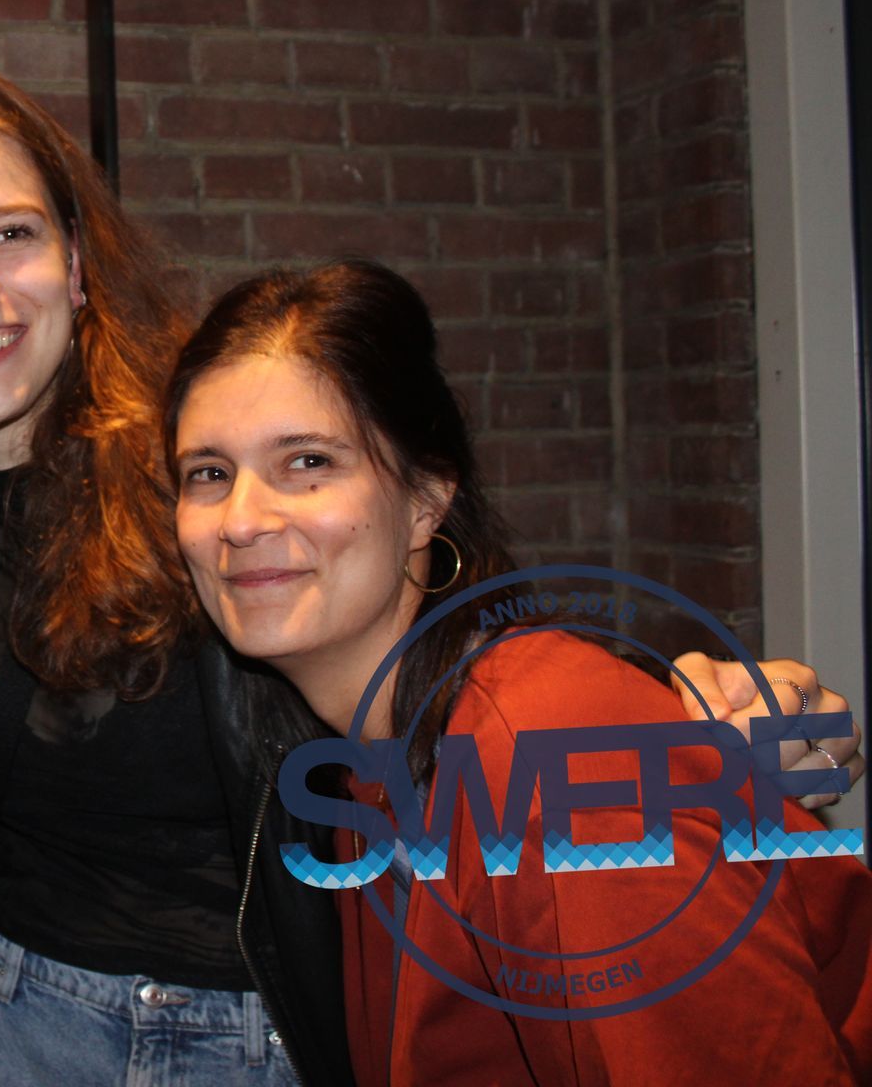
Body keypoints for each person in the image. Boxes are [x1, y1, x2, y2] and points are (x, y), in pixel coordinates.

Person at [0, 62, 865, 1087]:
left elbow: (439, 634)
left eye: (10, 232)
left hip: (287, 1024)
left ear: (78, 263)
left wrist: (682, 712)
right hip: (19, 1019)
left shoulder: (214, 452)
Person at [164, 258, 871, 1085]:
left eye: (308, 462)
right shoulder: (372, 760)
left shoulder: (557, 767)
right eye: (208, 473)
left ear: (426, 498)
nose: (241, 520)